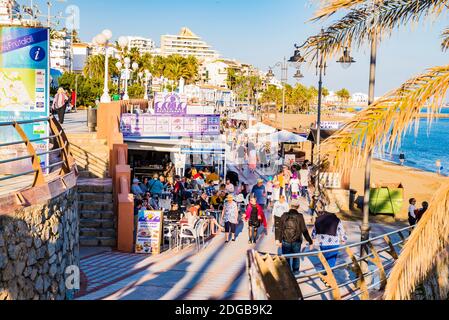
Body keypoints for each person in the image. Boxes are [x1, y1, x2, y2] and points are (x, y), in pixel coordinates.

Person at [312, 204, 347, 284]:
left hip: (322, 243)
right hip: (334, 243)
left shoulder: (319, 219)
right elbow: (342, 231)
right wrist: (343, 239)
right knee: (331, 260)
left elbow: (314, 230)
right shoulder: (337, 220)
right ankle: (329, 279)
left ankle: (325, 274)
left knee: (325, 259)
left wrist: (313, 238)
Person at [279, 200, 314, 274]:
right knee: (296, 257)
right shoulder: (300, 216)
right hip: (297, 241)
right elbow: (304, 230)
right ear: (298, 207)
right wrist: (310, 241)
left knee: (286, 258)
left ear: (290, 206)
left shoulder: (284, 215)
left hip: (285, 240)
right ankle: (296, 273)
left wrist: (279, 240)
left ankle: (287, 274)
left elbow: (280, 229)